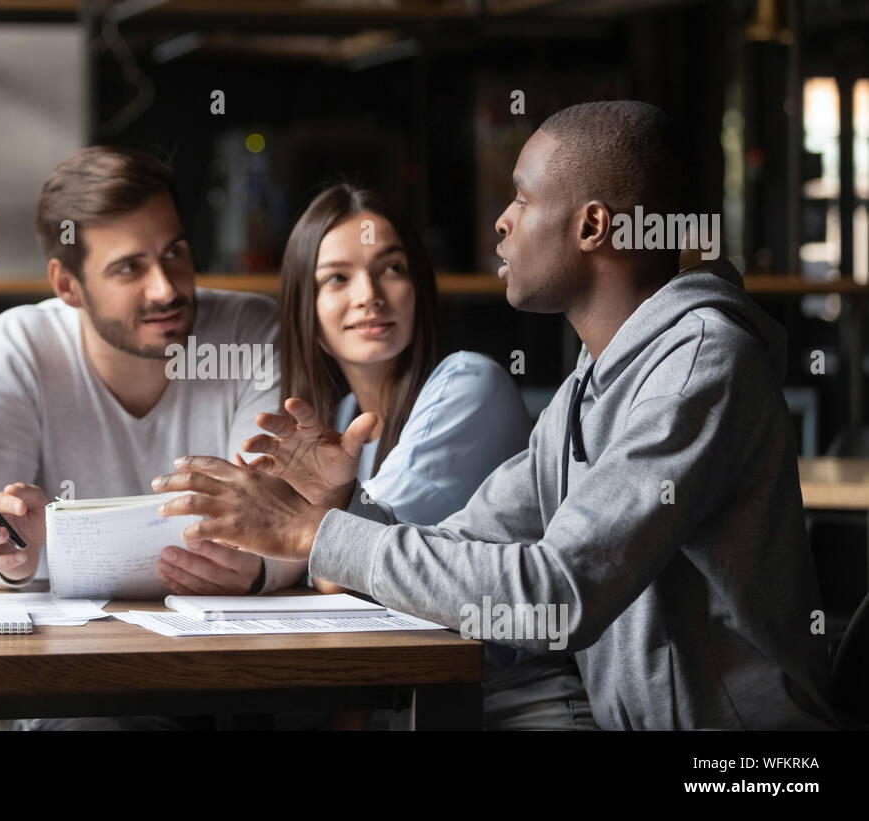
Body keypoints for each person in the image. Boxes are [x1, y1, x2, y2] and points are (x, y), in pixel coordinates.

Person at [154, 101, 840, 730]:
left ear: (593, 226)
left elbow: (559, 592)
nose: (501, 222)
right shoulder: (589, 385)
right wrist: (342, 512)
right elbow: (472, 541)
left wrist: (312, 533)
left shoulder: (699, 366)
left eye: (521, 197)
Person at [247, 182, 592, 729]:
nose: (369, 295)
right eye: (337, 278)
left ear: (419, 287)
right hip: (414, 707)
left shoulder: (468, 384)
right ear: (305, 310)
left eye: (391, 269)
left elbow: (348, 569)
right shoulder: (339, 420)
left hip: (514, 707)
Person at [0, 145, 303, 600]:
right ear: (68, 285)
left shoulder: (252, 330)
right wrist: (3, 553)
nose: (165, 288)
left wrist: (259, 567)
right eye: (129, 268)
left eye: (174, 253)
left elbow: (290, 514)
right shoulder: (20, 345)